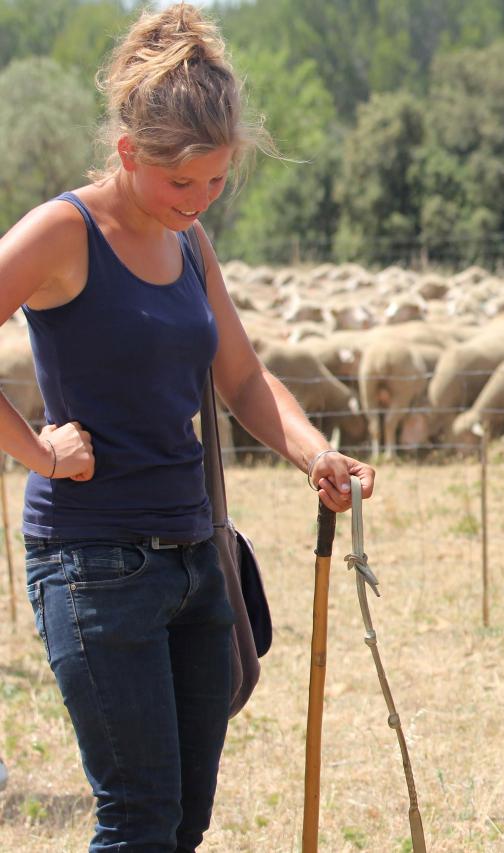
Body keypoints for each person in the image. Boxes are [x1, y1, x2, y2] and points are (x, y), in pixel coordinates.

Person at [0, 5, 375, 850]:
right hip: (95, 564)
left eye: (214, 181)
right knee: (138, 820)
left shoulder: (191, 243)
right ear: (129, 152)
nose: (201, 199)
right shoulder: (66, 231)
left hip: (199, 560)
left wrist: (314, 451)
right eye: (184, 184)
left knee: (185, 821)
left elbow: (241, 376)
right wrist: (36, 449)